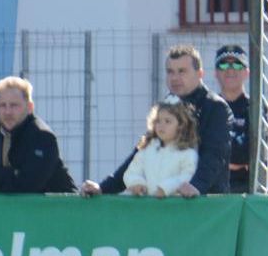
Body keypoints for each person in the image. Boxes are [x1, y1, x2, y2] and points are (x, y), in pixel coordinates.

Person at [81, 44, 231, 197]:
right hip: (165, 202)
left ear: (200, 74)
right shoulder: (167, 106)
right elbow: (142, 151)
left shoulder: (215, 107)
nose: (175, 78)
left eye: (182, 71)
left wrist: (196, 186)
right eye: (170, 72)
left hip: (204, 203)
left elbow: (214, 157)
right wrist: (103, 188)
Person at [0, 76, 77, 194]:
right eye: (2, 105)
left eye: (14, 105)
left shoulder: (42, 137)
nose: (7, 112)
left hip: (55, 209)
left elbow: (28, 185)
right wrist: (11, 173)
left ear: (30, 107)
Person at [122, 99, 200, 197]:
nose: (161, 125)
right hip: (147, 205)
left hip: (173, 206)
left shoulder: (188, 154)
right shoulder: (146, 150)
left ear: (181, 125)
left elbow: (187, 176)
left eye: (168, 121)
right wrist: (137, 184)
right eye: (158, 121)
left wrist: (166, 188)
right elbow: (131, 172)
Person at [214, 44, 252, 193]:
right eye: (223, 64)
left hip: (244, 187)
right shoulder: (208, 106)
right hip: (212, 186)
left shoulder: (255, 108)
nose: (230, 70)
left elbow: (251, 153)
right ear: (216, 73)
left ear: (246, 72)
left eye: (237, 64)